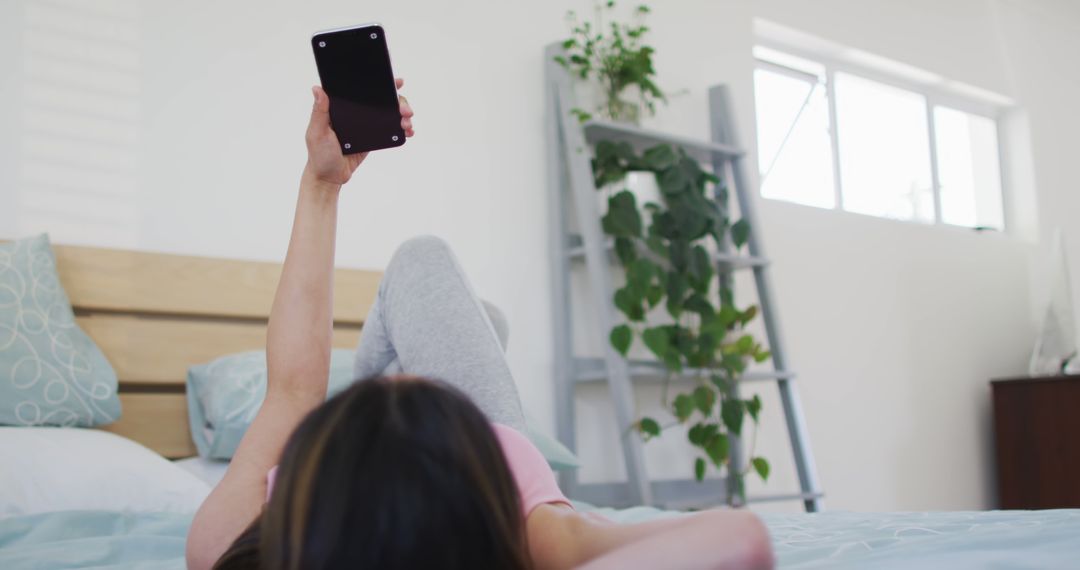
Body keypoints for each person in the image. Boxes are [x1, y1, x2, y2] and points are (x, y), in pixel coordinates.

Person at [185, 79, 774, 570]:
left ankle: (477, 329)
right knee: (426, 263)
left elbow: (293, 388)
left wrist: (320, 185)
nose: (406, 378)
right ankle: (480, 329)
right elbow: (743, 538)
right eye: (435, 399)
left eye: (382, 392)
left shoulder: (236, 540)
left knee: (467, 315)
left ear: (323, 466)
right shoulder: (502, 490)